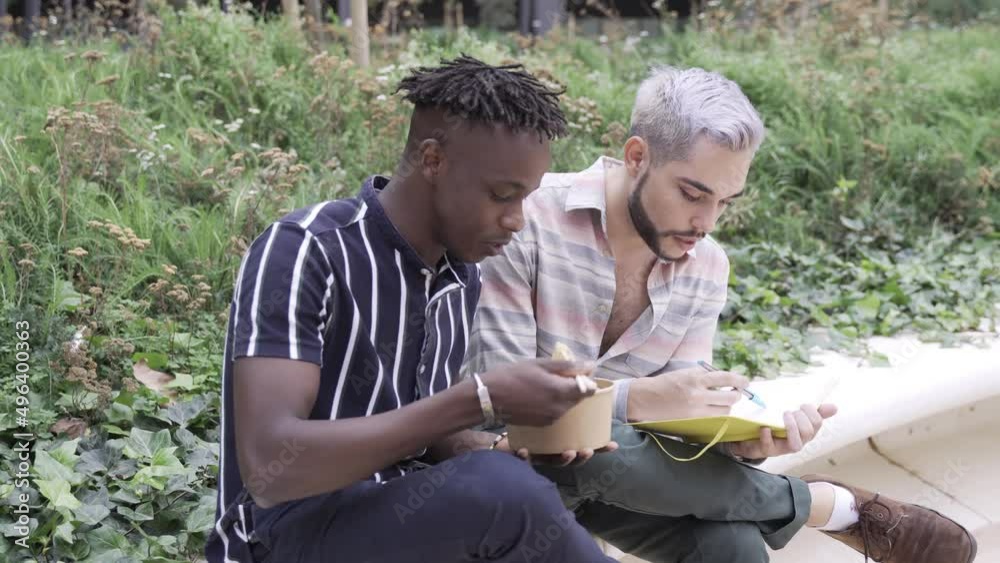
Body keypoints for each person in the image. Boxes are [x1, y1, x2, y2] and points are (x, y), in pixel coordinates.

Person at [462, 65, 978, 563]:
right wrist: (635, 400)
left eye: (726, 202)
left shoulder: (706, 265)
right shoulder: (526, 220)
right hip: (512, 460)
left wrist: (742, 442)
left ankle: (810, 505)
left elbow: (679, 423)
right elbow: (501, 403)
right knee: (577, 434)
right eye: (693, 194)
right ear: (637, 156)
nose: (706, 222)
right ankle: (826, 506)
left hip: (619, 478)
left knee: (730, 547)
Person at [206, 55, 622, 563]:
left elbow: (424, 436)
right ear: (432, 160)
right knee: (503, 494)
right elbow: (271, 468)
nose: (516, 221)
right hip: (280, 537)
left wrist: (511, 443)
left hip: (394, 524)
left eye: (526, 199)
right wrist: (482, 398)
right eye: (501, 195)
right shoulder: (305, 251)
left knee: (510, 479)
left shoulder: (459, 276)